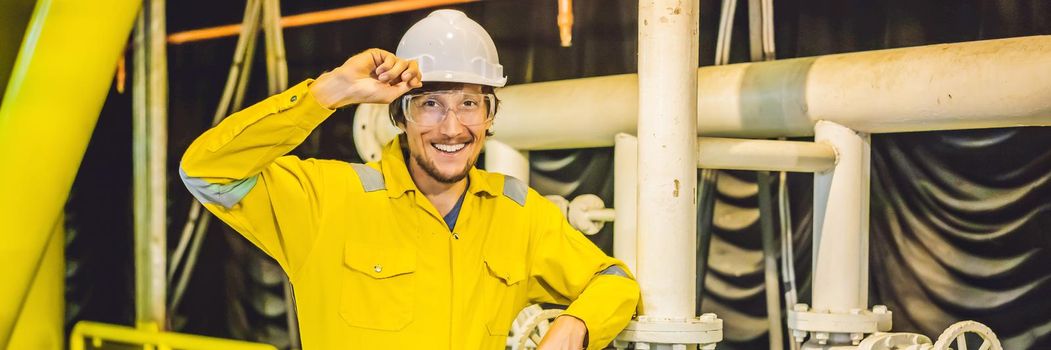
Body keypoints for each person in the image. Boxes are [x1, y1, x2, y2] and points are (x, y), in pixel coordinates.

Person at [180, 9, 639, 350]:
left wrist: (576, 326)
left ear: (489, 114)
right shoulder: (326, 200)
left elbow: (614, 279)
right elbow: (206, 170)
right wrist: (329, 92)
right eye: (432, 104)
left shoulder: (519, 214)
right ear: (400, 114)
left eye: (469, 104)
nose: (453, 128)